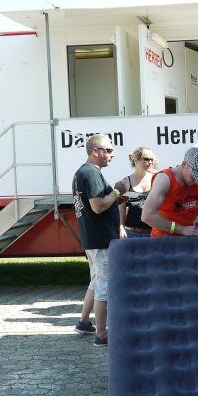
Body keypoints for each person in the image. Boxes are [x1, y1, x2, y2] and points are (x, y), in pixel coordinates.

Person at [72, 133, 128, 345]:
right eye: (109, 150)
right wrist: (117, 191)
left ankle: (84, 322)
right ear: (95, 151)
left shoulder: (82, 172)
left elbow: (98, 203)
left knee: (96, 282)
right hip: (101, 239)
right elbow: (98, 206)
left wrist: (114, 200)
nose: (112, 154)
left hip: (93, 238)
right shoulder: (91, 173)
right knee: (104, 288)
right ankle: (102, 335)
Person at [141, 146, 198, 237]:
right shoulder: (164, 179)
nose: (197, 182)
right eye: (194, 176)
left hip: (190, 238)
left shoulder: (197, 182)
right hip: (164, 240)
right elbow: (147, 215)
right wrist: (181, 229)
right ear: (184, 164)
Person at [118, 146, 156, 238]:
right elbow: (121, 207)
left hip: (153, 233)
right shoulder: (126, 181)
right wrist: (121, 227)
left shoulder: (156, 178)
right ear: (135, 160)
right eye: (146, 159)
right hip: (132, 233)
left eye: (151, 159)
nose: (150, 162)